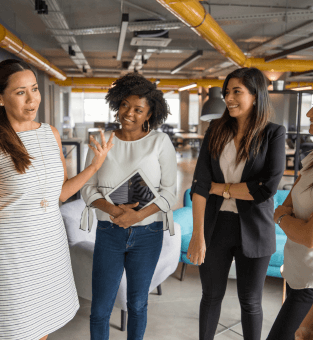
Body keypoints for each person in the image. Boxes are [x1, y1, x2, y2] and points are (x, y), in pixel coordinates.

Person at [0, 59, 114, 340]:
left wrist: (94, 166)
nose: (31, 99)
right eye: (20, 92)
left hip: (50, 243)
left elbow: (59, 194)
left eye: (34, 89)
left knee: (42, 327)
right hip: (14, 250)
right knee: (17, 328)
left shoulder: (49, 133)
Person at [187, 67, 286, 340]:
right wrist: (198, 235)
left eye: (236, 92)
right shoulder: (215, 130)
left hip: (255, 228)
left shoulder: (273, 133)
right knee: (211, 296)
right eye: (226, 92)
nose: (228, 98)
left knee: (251, 301)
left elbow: (266, 189)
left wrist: (220, 189)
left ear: (256, 95)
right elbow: (199, 186)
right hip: (216, 226)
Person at [81, 72, 177, 340]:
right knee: (100, 309)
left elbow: (170, 192)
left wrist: (138, 216)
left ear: (149, 114)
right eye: (124, 105)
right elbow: (87, 188)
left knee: (137, 304)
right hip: (109, 232)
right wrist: (114, 211)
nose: (129, 113)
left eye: (138, 109)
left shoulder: (160, 142)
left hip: (148, 235)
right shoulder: (103, 142)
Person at [267, 106, 313, 340]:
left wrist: (283, 218)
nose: (309, 115)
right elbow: (287, 202)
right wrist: (288, 218)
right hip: (298, 275)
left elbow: (309, 237)